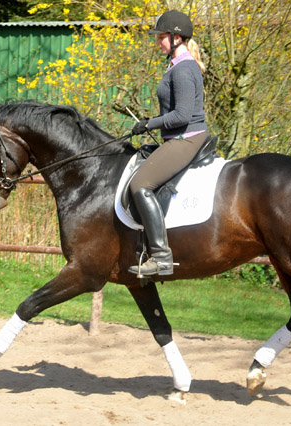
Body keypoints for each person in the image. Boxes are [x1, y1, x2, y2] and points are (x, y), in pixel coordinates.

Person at [128, 10, 208, 277]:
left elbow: (183, 115)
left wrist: (149, 123)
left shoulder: (184, 68)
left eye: (161, 37)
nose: (158, 41)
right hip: (179, 137)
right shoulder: (177, 65)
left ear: (176, 37)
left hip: (187, 139)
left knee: (140, 184)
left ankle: (161, 256)